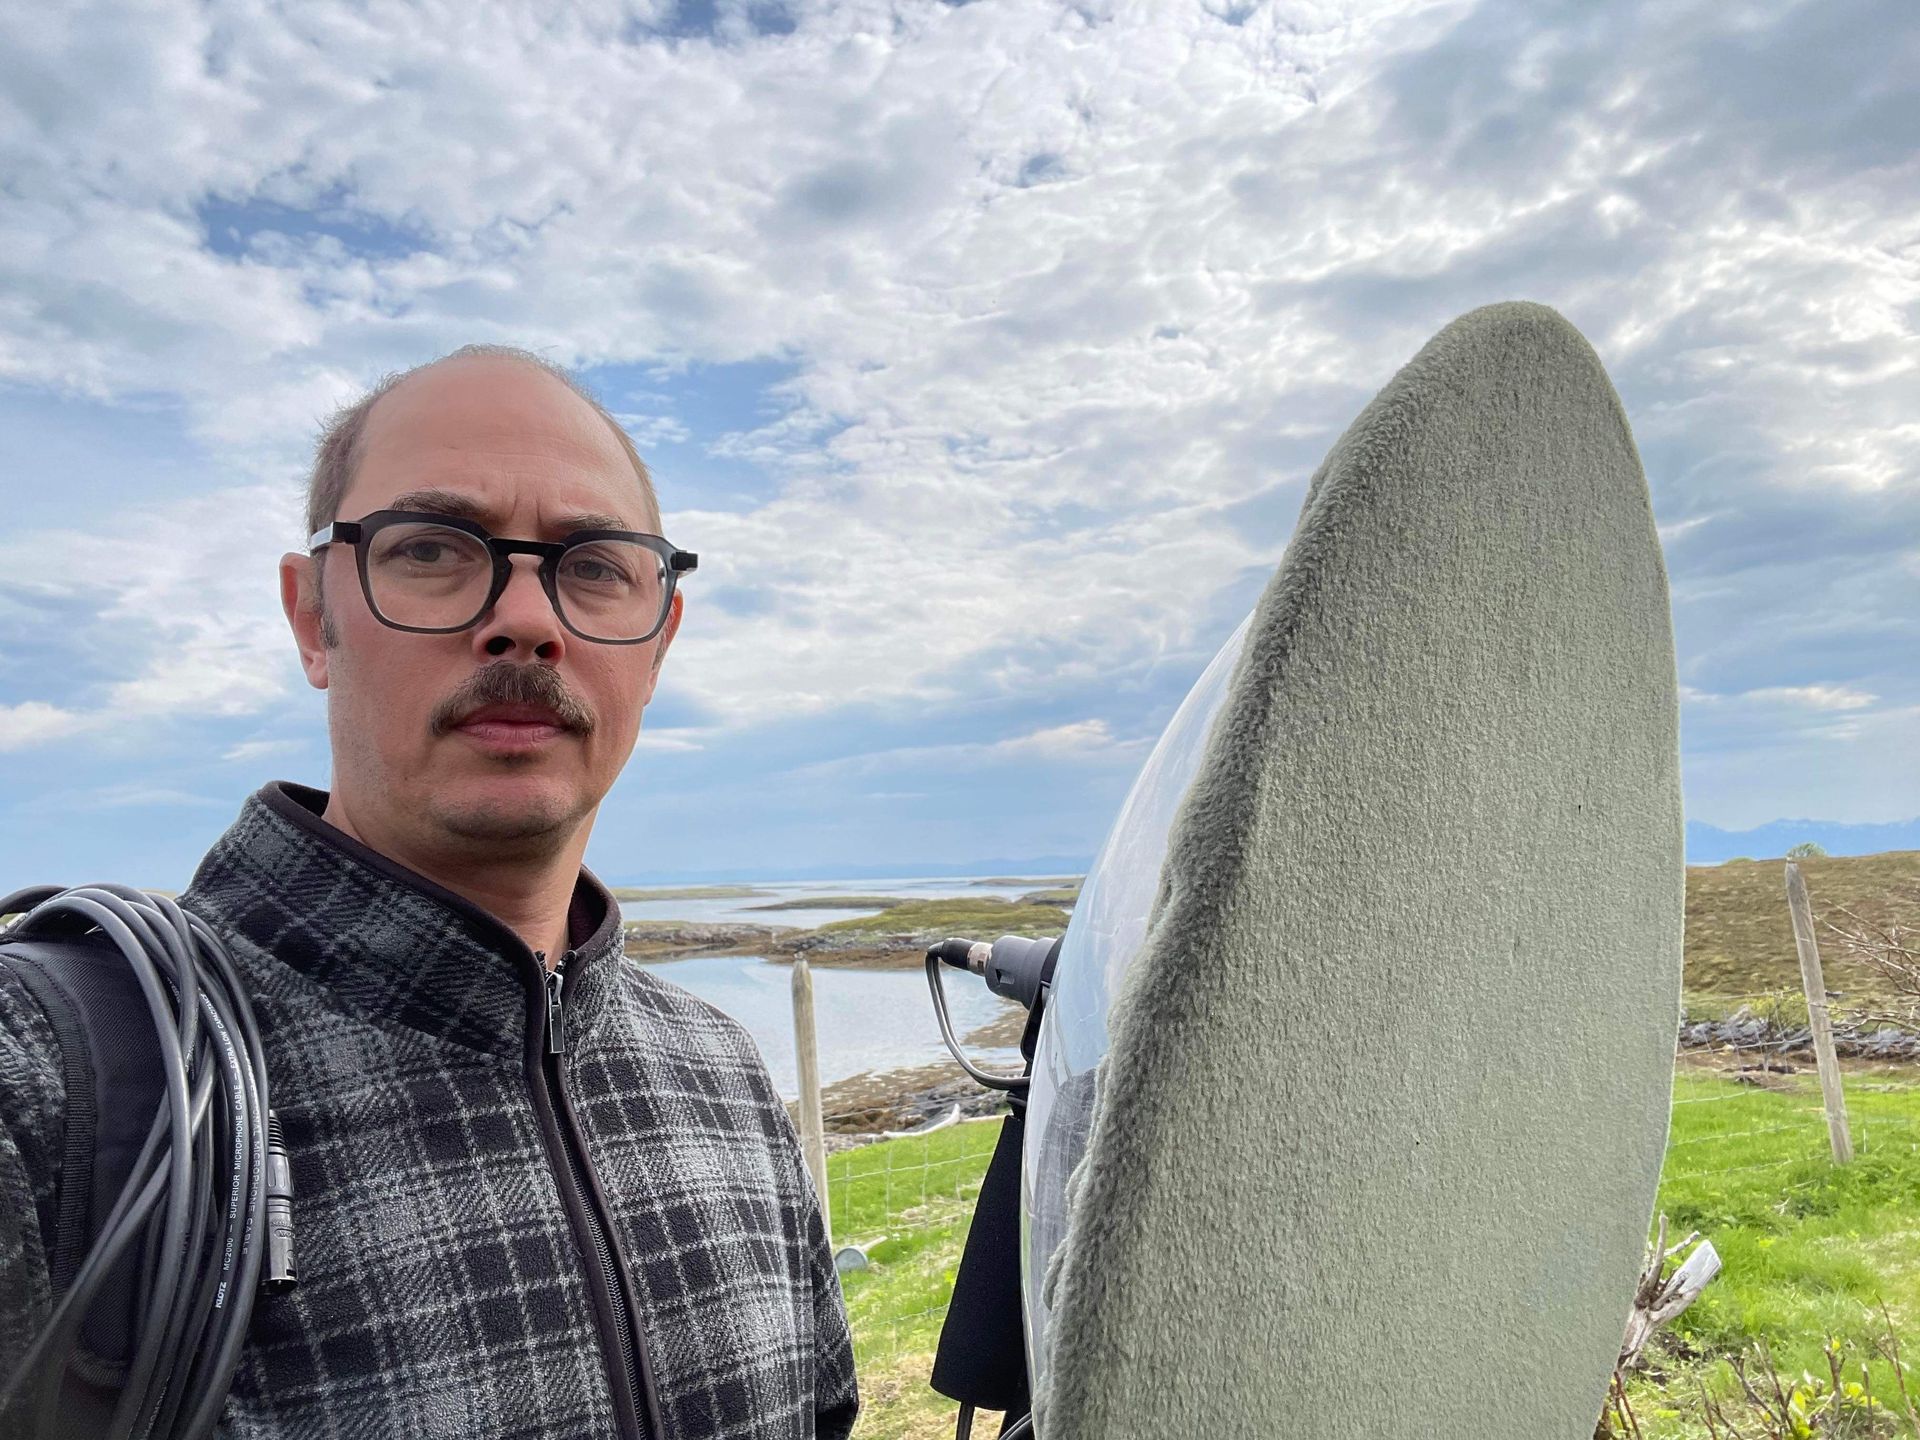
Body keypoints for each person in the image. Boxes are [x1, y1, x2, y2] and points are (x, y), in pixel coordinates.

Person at [0, 346, 859, 1439]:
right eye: (432, 550)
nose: (527, 619)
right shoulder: (44, 1079)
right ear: (312, 616)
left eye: (596, 566)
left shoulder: (720, 1072)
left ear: (658, 643)